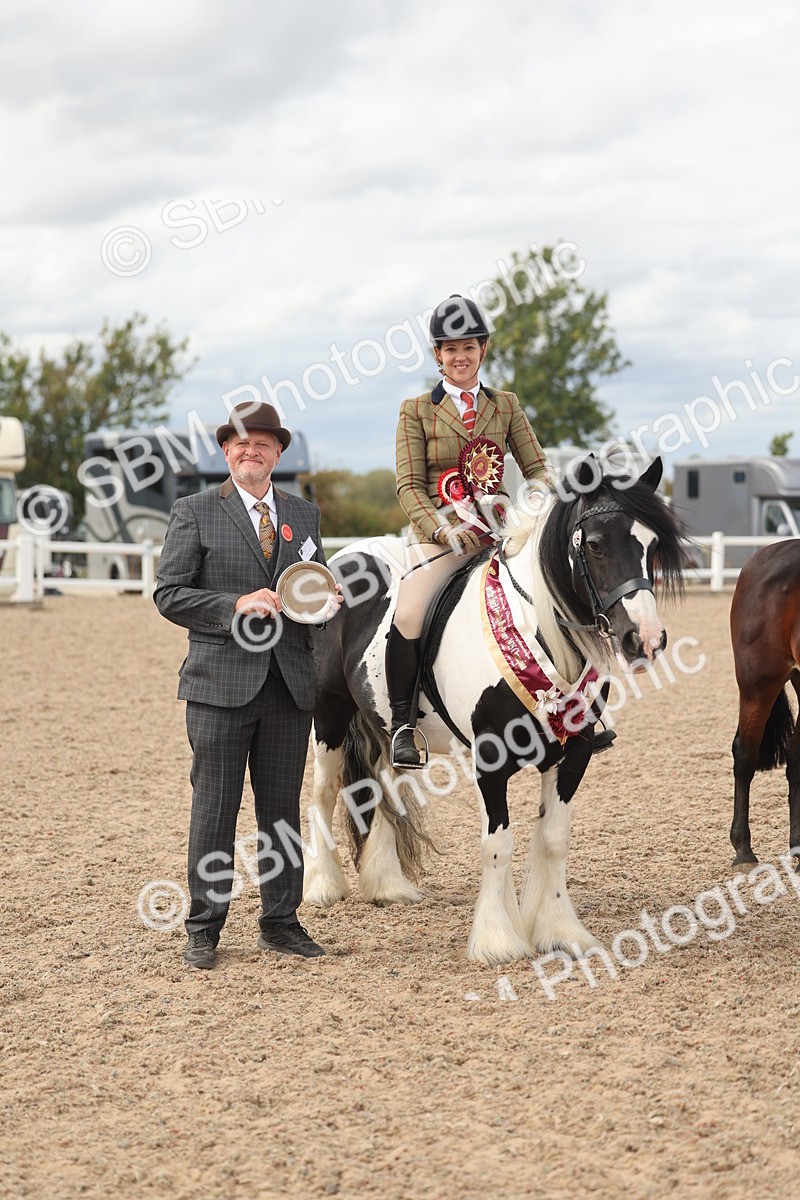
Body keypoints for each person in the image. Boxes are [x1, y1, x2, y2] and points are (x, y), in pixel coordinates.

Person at [154, 401, 342, 969]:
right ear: (226, 451)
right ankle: (204, 928)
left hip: (289, 684)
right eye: (240, 443)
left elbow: (314, 584)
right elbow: (169, 594)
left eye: (262, 442)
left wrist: (327, 604)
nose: (250, 450)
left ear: (278, 452)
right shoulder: (194, 511)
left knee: (281, 811)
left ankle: (280, 921)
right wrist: (233, 604)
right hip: (219, 685)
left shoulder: (304, 516)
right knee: (215, 808)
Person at [388, 294, 550, 768]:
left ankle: (573, 714)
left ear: (484, 350)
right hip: (442, 537)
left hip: (500, 535)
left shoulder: (506, 406)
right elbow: (409, 485)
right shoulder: (415, 410)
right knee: (410, 614)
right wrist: (441, 530)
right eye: (450, 349)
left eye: (469, 347)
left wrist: (529, 512)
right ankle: (403, 724)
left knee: (555, 598)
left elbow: (538, 470)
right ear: (437, 355)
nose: (460, 357)